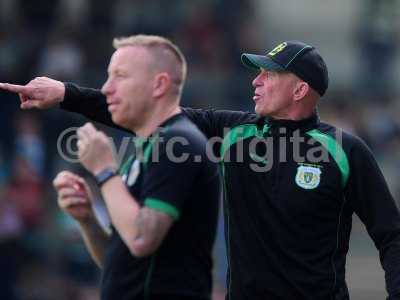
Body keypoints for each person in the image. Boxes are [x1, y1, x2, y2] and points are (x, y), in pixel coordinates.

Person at [1, 40, 400, 299]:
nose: (256, 81)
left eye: (269, 73)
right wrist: (66, 94)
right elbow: (148, 114)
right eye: (257, 72)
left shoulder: (345, 152)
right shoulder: (232, 133)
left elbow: (392, 236)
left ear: (300, 90)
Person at [4, 35, 221, 300]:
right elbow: (118, 262)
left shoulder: (179, 144)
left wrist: (105, 170)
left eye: (120, 76)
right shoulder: (149, 148)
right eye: (108, 76)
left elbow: (141, 239)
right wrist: (87, 220)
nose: (107, 88)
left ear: (159, 85)